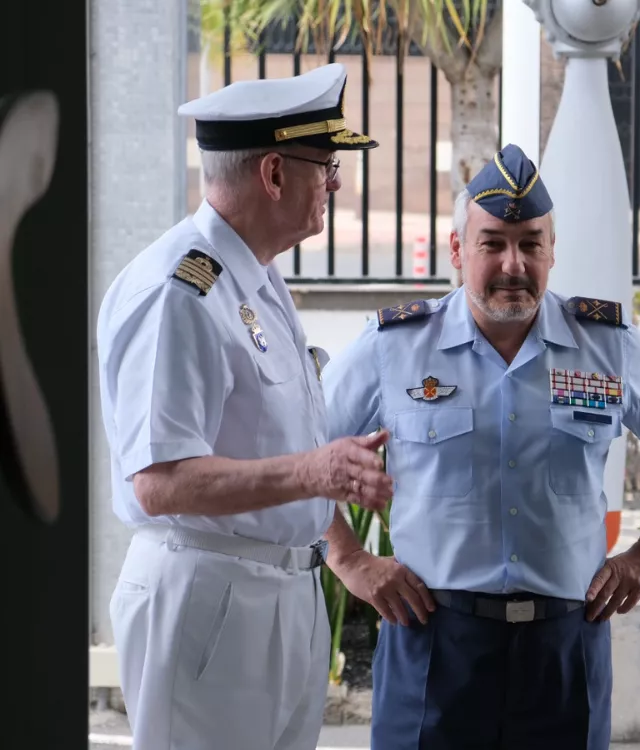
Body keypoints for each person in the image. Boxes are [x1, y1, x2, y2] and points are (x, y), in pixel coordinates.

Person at [318, 143, 640, 749]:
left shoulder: (608, 347)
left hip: (565, 647)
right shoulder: (395, 347)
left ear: (551, 251)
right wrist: (350, 560)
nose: (514, 264)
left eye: (530, 243)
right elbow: (300, 456)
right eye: (493, 243)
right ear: (458, 250)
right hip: (433, 642)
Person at [96, 63, 395, 750]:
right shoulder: (182, 292)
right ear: (273, 174)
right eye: (326, 164)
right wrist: (315, 473)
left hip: (280, 598)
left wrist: (332, 513)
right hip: (212, 600)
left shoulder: (253, 274)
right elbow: (160, 482)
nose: (337, 182)